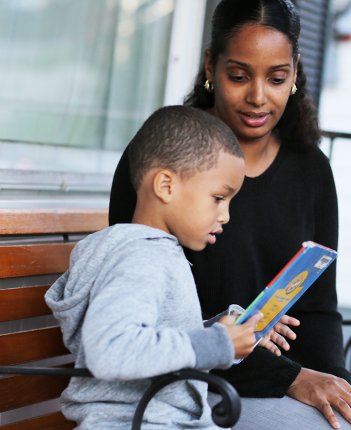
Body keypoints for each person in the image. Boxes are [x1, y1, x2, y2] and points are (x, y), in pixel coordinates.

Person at [109, 1, 351, 429]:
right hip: (199, 383)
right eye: (239, 76)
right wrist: (294, 379)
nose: (258, 97)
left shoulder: (310, 169)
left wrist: (333, 385)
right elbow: (158, 322)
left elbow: (318, 306)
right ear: (211, 64)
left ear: (295, 73)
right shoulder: (166, 160)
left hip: (290, 376)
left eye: (277, 77)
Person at [45, 106, 292, 429]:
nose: (226, 216)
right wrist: (217, 344)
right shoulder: (141, 258)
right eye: (218, 198)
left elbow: (150, 337)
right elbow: (110, 348)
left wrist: (227, 329)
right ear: (165, 186)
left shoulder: (152, 252)